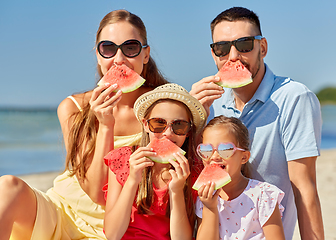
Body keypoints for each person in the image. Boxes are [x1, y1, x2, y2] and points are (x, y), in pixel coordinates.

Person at [0, 9, 168, 240]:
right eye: (108, 49)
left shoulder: (164, 108)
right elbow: (93, 190)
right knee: (6, 187)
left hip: (117, 229)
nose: (119, 60)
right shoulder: (73, 108)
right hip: (60, 213)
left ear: (145, 54)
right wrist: (105, 124)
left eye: (130, 48)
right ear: (98, 56)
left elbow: (104, 198)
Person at [190, 7, 324, 240]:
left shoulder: (293, 98)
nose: (233, 57)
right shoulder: (210, 103)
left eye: (244, 45)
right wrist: (191, 114)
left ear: (262, 48)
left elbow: (304, 187)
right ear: (214, 54)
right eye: (221, 48)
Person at [103, 83, 207, 240]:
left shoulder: (194, 171)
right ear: (145, 125)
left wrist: (177, 190)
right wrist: (132, 180)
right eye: (159, 124)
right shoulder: (123, 159)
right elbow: (112, 234)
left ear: (188, 131)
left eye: (179, 125)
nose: (168, 133)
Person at [195, 115, 285, 240]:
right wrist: (209, 207)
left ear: (244, 157)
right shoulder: (204, 198)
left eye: (225, 149)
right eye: (206, 150)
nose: (214, 156)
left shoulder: (263, 195)